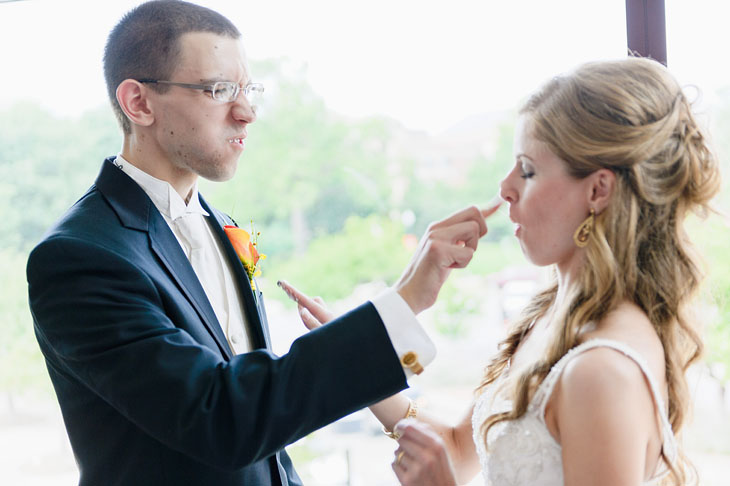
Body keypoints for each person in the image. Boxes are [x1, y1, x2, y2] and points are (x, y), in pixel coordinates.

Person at [25, 1, 494, 485]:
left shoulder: (223, 225)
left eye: (248, 89)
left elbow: (266, 440)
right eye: (219, 89)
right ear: (139, 103)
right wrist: (405, 302)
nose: (246, 113)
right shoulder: (80, 258)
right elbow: (220, 418)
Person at [289, 57, 721, 485]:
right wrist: (350, 351)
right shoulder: (551, 317)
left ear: (598, 190)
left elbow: (449, 469)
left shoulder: (602, 369)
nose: (505, 188)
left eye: (528, 170)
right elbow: (459, 449)